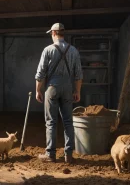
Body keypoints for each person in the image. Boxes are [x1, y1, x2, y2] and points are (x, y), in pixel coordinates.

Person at [35, 23, 83, 163]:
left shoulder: (48, 50)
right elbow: (79, 74)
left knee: (51, 122)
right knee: (68, 121)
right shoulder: (73, 50)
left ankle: (50, 154)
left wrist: (38, 90)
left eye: (51, 33)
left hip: (52, 87)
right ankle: (68, 154)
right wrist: (77, 91)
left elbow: (40, 73)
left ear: (54, 33)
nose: (51, 35)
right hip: (68, 88)